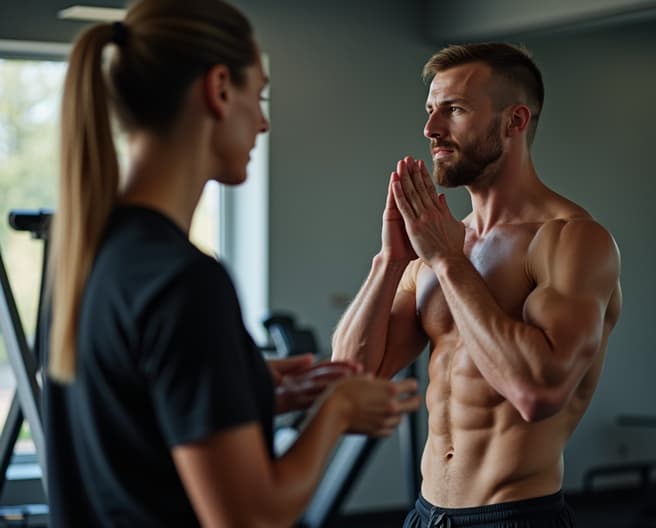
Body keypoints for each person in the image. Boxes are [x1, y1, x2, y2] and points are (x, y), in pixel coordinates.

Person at [43, 0, 421, 526]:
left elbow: (136, 421)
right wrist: (336, 411)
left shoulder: (87, 253)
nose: (263, 122)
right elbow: (251, 519)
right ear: (219, 89)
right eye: (258, 95)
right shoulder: (186, 282)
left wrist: (247, 389)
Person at [332, 42, 622, 527]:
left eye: (455, 110)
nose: (431, 129)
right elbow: (351, 380)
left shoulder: (570, 240)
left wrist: (447, 260)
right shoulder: (435, 245)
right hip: (426, 515)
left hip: (515, 516)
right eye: (430, 111)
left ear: (515, 121)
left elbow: (536, 394)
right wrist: (391, 260)